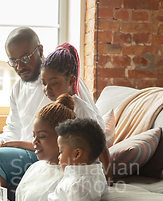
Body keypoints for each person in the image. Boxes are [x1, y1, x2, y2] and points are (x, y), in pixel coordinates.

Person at [0, 27, 100, 190]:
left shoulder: (60, 79)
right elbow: (13, 126)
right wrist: (4, 141)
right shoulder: (17, 88)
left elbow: (94, 125)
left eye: (24, 58)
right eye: (13, 61)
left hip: (44, 154)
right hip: (19, 148)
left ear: (40, 50)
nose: (19, 66)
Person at [40, 43, 113, 185]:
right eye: (44, 83)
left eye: (54, 83)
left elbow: (101, 144)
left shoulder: (81, 109)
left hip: (83, 172)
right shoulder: (54, 109)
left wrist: (109, 178)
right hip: (65, 166)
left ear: (71, 81)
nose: (47, 89)